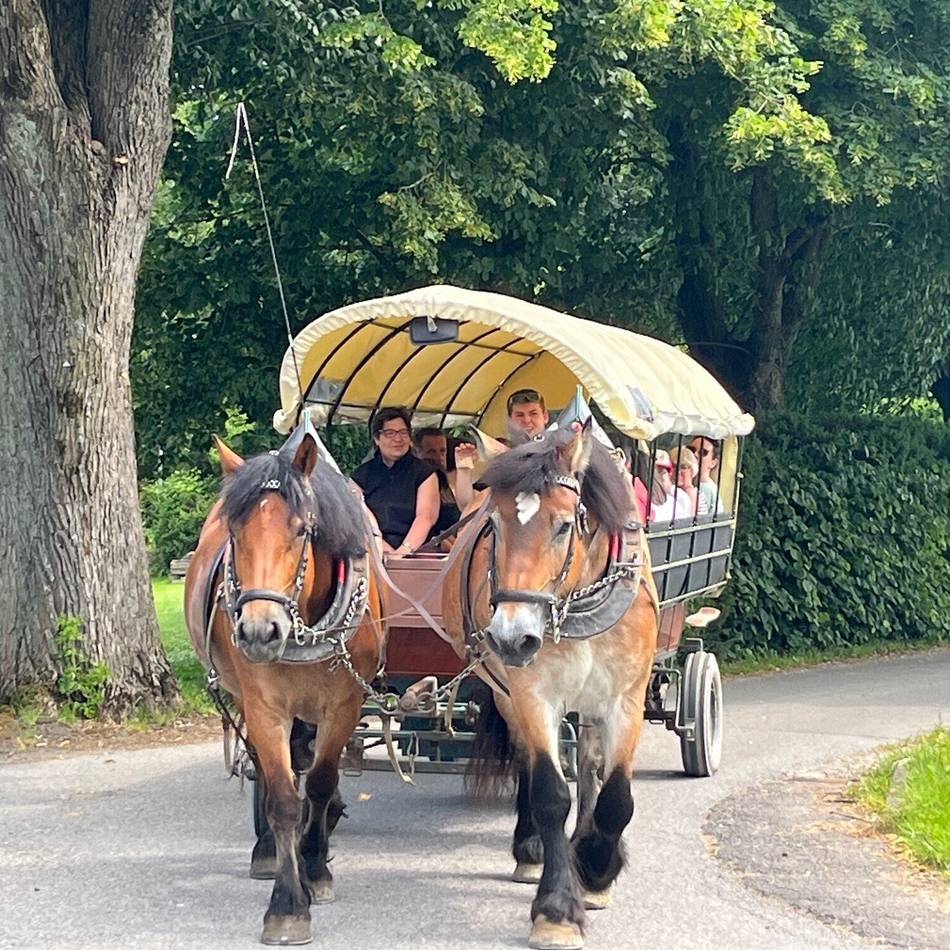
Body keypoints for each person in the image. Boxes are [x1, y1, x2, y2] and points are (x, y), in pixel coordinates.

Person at [351, 407, 439, 555]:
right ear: (377, 439)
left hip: (418, 551)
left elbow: (426, 516)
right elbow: (358, 518)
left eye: (403, 433)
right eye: (390, 433)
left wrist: (403, 552)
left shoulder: (425, 472)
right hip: (373, 550)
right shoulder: (360, 476)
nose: (398, 439)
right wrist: (383, 549)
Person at [412, 427, 477, 532]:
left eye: (442, 451)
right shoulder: (413, 484)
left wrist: (464, 469)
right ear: (416, 453)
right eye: (431, 452)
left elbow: (467, 507)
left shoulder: (446, 483)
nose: (439, 457)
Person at [648, 449, 692, 524]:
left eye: (662, 472)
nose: (658, 476)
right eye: (654, 472)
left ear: (669, 474)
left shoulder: (680, 498)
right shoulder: (642, 496)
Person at [689, 436, 724, 514]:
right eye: (691, 450)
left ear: (713, 463)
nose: (695, 455)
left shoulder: (709, 490)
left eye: (702, 452)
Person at [669, 445, 700, 515]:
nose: (678, 471)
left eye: (683, 467)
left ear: (692, 470)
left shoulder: (691, 493)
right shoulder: (674, 491)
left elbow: (688, 522)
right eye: (674, 466)